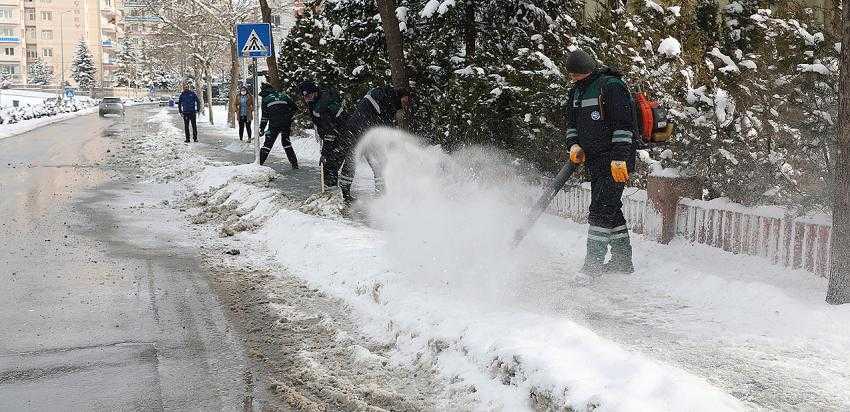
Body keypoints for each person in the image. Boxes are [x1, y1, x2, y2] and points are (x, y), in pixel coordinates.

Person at [564, 49, 637, 275]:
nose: (574, 79)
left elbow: (624, 126)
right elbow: (571, 125)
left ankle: (592, 265)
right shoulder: (576, 92)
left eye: (577, 74)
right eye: (572, 75)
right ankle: (622, 262)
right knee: (610, 210)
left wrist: (619, 158)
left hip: (616, 162)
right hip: (595, 162)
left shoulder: (611, 87)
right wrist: (574, 145)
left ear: (586, 70)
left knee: (600, 210)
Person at [338, 85, 412, 204]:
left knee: (353, 160)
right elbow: (385, 123)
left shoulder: (384, 93)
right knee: (375, 162)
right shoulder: (390, 98)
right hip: (363, 130)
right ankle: (380, 195)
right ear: (401, 96)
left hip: (357, 128)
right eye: (405, 100)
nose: (406, 104)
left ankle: (345, 194)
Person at [296, 81, 349, 188]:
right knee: (331, 164)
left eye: (309, 95)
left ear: (315, 92)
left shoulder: (321, 107)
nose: (307, 99)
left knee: (330, 165)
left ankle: (333, 193)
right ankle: (334, 191)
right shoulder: (320, 100)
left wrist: (324, 153)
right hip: (341, 135)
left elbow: (330, 133)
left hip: (344, 136)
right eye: (305, 97)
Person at [258, 83, 298, 168]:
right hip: (286, 123)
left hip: (274, 124)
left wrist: (261, 128)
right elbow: (295, 108)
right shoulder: (284, 95)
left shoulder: (266, 99)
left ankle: (259, 163)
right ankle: (294, 164)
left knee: (268, 144)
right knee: (286, 142)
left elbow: (264, 116)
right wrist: (288, 117)